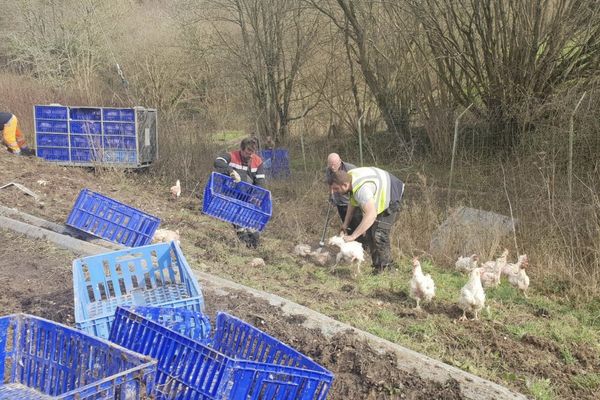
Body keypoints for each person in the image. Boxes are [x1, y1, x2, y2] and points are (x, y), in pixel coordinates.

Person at [329, 167, 404, 274]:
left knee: (379, 234)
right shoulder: (348, 179)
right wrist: (345, 224)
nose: (334, 192)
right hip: (378, 189)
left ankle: (388, 269)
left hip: (392, 192)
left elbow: (371, 214)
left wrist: (353, 236)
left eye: (336, 189)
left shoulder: (361, 190)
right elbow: (352, 203)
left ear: (345, 185)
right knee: (369, 233)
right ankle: (378, 267)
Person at [214, 137, 266, 248]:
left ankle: (255, 247)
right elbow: (218, 162)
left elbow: (260, 182)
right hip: (232, 194)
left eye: (252, 152)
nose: (250, 155)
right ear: (241, 149)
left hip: (248, 198)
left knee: (253, 231)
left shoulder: (257, 161)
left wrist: (256, 196)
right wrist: (231, 171)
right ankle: (243, 246)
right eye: (248, 151)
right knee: (240, 227)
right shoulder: (231, 156)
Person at [325, 153, 362, 237]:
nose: (332, 167)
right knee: (346, 225)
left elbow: (358, 184)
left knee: (356, 223)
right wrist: (331, 196)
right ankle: (350, 241)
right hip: (339, 202)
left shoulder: (350, 168)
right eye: (330, 165)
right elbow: (330, 184)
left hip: (352, 202)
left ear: (340, 161)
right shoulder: (328, 170)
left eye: (334, 164)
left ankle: (361, 243)